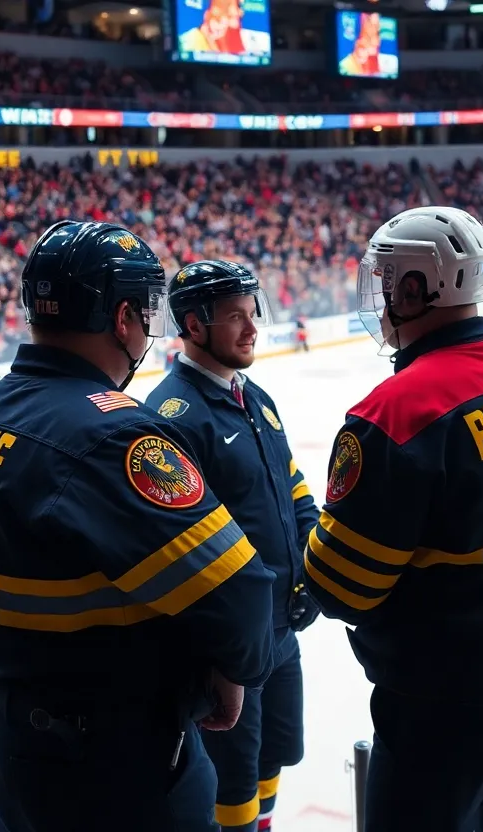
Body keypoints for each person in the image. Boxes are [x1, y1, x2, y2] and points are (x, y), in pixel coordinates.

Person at [0, 220, 276, 832]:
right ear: (123, 318)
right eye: (146, 313)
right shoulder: (113, 435)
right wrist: (234, 673)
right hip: (107, 760)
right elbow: (240, 589)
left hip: (3, 740)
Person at [305, 207, 483, 832]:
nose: (380, 295)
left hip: (449, 708)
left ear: (416, 288)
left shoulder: (395, 411)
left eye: (387, 279)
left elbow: (341, 585)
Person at [146, 261, 320, 832]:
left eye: (254, 314)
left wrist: (310, 570)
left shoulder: (256, 397)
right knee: (232, 776)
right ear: (194, 326)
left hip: (281, 628)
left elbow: (291, 486)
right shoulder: (173, 418)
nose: (253, 329)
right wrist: (225, 638)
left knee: (274, 754)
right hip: (227, 649)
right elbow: (182, 549)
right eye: (236, 319)